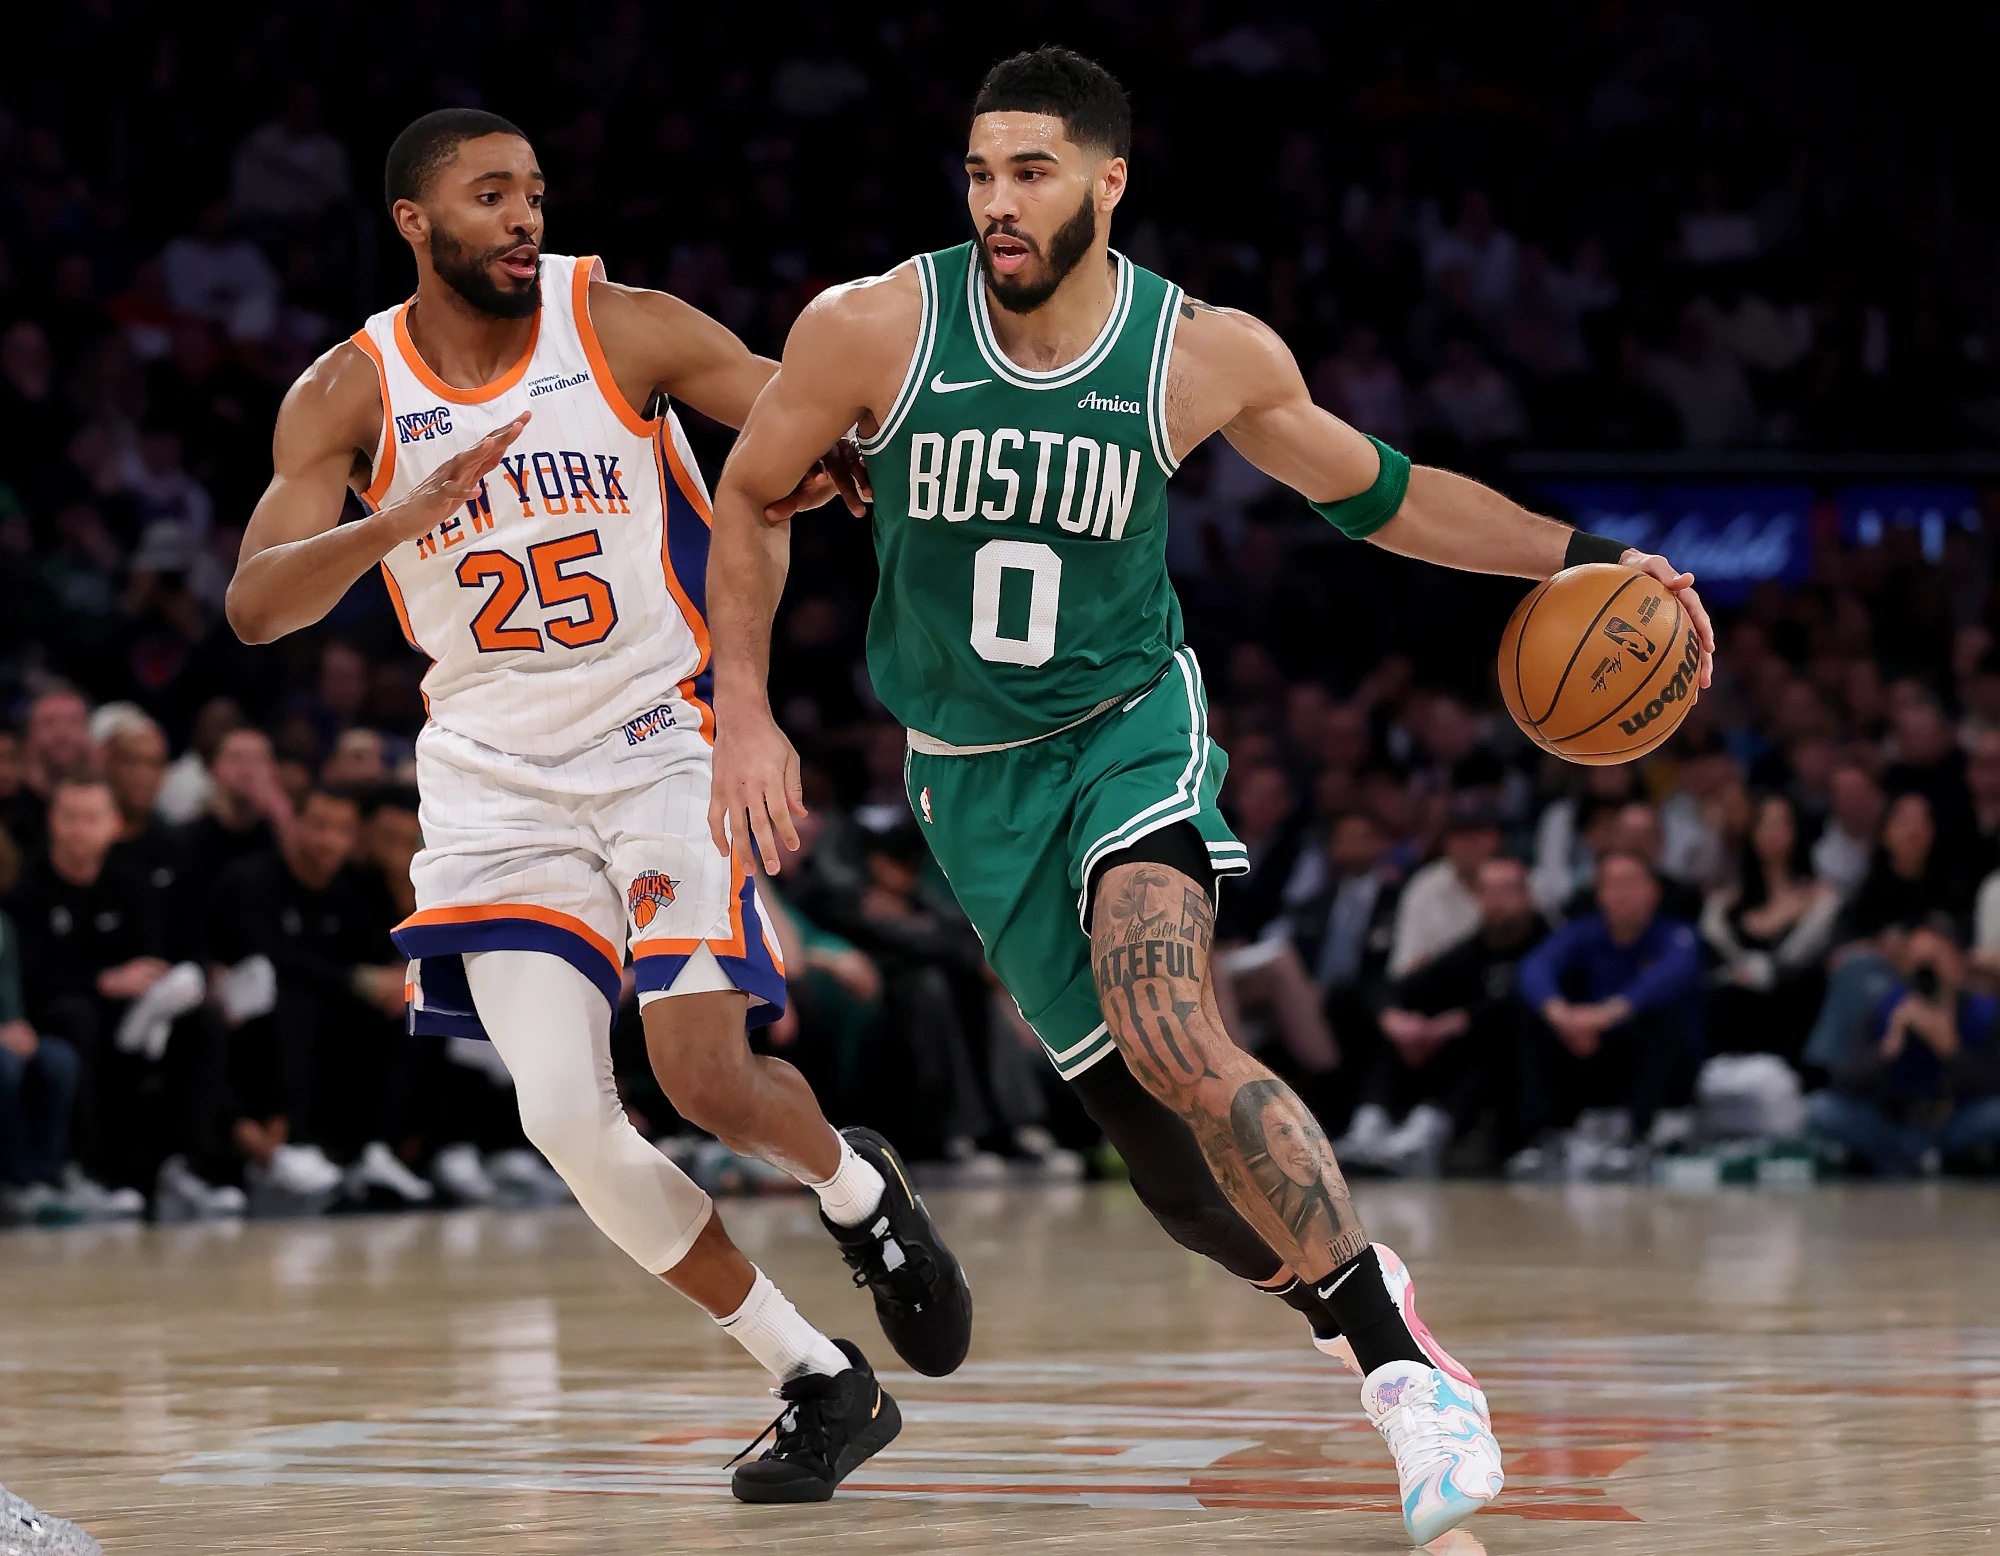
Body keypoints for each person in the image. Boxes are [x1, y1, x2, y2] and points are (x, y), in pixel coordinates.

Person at [702, 48, 1712, 1542]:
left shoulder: (1199, 351)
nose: (998, 202)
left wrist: (1581, 556)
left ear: (1111, 179)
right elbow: (749, 496)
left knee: (1178, 1018)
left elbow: (1388, 494)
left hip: (1126, 728)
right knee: (1177, 1188)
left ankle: (1404, 1378)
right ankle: (1365, 1295)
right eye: (980, 172)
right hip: (969, 785)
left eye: (1032, 170)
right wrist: (744, 711)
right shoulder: (871, 328)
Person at [223, 108, 966, 1501]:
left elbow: (789, 406)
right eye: (489, 194)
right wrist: (396, 518)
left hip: (659, 742)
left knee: (699, 1073)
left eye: (534, 192)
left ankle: (858, 1191)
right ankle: (817, 1376)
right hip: (492, 780)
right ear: (413, 222)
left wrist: (845, 454)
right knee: (562, 1116)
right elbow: (256, 605)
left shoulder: (616, 321)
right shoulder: (348, 390)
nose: (522, 216)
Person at [1343, 855, 1548, 1175]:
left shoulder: (1547, 943)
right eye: (1488, 892)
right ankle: (1371, 1123)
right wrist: (1393, 1017)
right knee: (1399, 1024)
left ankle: (1426, 1134)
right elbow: (1395, 988)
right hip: (1444, 1053)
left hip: (1520, 1068)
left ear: (1527, 896)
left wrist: (1460, 1021)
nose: (1497, 903)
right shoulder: (1473, 948)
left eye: (1507, 892)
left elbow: (1523, 1000)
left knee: (1487, 1038)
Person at [1515, 850, 1705, 1156]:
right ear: (1599, 893)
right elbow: (1534, 967)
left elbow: (1669, 977)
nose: (1622, 894)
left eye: (1631, 883)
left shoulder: (1676, 935)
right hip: (1596, 1052)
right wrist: (1560, 1014)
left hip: (1658, 1067)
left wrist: (1606, 1015)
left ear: (1654, 891)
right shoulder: (1583, 933)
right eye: (1612, 884)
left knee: (1664, 1015)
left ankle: (1641, 1133)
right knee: (1531, 1013)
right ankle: (1544, 1136)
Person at [1806, 918, 2000, 1176]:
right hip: (1896, 1125)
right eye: (1916, 961)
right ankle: (1900, 1163)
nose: (1926, 971)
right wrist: (1889, 1049)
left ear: (1957, 962)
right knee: (1820, 1109)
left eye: (1935, 959)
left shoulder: (1984, 1012)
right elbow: (1843, 1081)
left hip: (1955, 1126)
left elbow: (1992, 1085)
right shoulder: (1887, 1008)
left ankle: (1947, 1163)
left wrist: (1950, 1050)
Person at [1700, 793, 1840, 1062]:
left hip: (1795, 1024)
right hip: (1734, 1034)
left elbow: (1818, 972)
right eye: (1764, 823)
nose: (1772, 833)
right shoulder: (1721, 907)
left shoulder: (1823, 903)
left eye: (1782, 824)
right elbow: (1711, 967)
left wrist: (1770, 974)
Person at [1386, 797, 1501, 981]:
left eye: (1477, 832)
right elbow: (1404, 969)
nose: (1468, 842)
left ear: (1497, 838)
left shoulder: (1519, 882)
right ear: (1445, 841)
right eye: (1459, 834)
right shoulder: (1424, 886)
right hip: (1439, 992)